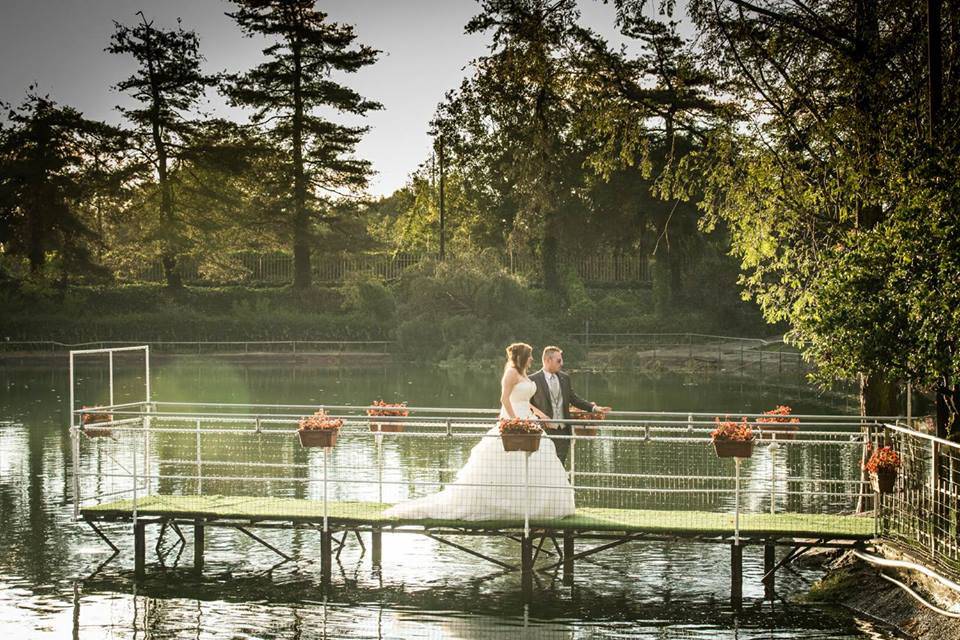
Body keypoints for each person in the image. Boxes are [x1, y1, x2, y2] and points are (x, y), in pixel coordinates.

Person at [383, 342, 575, 520]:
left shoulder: (524, 374)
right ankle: (506, 506)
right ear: (523, 356)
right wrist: (514, 420)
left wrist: (540, 416)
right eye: (530, 356)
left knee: (538, 459)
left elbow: (527, 402)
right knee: (507, 462)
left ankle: (536, 505)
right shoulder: (511, 373)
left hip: (529, 420)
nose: (533, 359)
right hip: (514, 419)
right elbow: (504, 399)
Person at [529, 346, 611, 465]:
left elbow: (574, 399)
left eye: (561, 360)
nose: (561, 363)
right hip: (543, 431)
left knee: (560, 465)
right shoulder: (533, 379)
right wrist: (540, 417)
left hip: (563, 431)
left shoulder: (565, 378)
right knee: (543, 467)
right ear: (548, 360)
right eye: (558, 360)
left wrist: (594, 408)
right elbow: (528, 404)